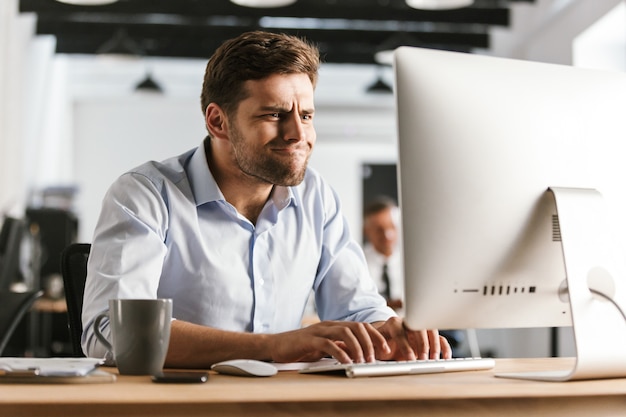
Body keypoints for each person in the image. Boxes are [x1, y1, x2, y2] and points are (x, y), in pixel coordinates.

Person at [81, 30, 451, 368]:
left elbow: (355, 306)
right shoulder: (146, 195)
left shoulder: (316, 196)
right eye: (274, 115)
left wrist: (390, 331)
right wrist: (272, 346)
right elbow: (110, 334)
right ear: (217, 122)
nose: (298, 133)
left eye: (306, 115)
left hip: (282, 403)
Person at [362, 196, 404, 310]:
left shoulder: (411, 261)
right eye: (379, 229)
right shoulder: (358, 263)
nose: (387, 235)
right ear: (366, 230)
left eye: (392, 227)